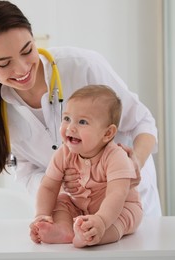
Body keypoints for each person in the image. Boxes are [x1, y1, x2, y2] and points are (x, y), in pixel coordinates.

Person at [0, 0, 162, 216]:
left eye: (27, 50)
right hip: (74, 217)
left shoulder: (81, 66)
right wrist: (57, 180)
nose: (21, 69)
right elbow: (26, 173)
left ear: (33, 36)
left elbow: (142, 122)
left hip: (130, 206)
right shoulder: (0, 113)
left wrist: (134, 162)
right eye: (4, 64)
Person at [29, 85, 142, 247]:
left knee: (122, 218)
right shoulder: (63, 153)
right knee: (62, 200)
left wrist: (101, 220)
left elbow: (116, 194)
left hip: (118, 209)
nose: (71, 127)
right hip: (79, 209)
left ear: (107, 133)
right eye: (67, 118)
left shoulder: (116, 156)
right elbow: (48, 187)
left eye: (82, 122)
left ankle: (94, 236)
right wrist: (41, 215)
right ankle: (64, 229)